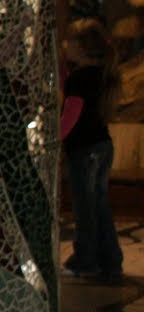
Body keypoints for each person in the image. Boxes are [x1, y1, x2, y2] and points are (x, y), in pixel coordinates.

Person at [61, 18, 126, 284]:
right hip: (102, 146)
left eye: (68, 42)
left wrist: (55, 138)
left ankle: (85, 261)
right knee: (98, 206)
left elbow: (72, 113)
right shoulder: (101, 75)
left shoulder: (80, 79)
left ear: (79, 47)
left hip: (84, 149)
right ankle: (110, 261)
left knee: (85, 209)